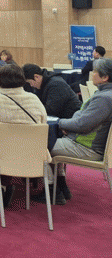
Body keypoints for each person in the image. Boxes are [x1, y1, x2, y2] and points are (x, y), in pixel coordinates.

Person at [0, 64, 48, 208]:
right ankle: (5, 185)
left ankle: (0, 186)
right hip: (31, 154)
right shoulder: (35, 100)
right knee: (4, 154)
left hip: (0, 156)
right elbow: (43, 125)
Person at [44, 58, 112, 204]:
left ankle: (51, 191)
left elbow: (81, 124)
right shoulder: (105, 95)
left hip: (87, 148)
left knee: (40, 145)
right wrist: (70, 125)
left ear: (105, 77)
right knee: (50, 141)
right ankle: (61, 185)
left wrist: (60, 123)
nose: (92, 74)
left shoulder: (104, 99)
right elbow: (80, 117)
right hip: (86, 143)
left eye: (95, 72)